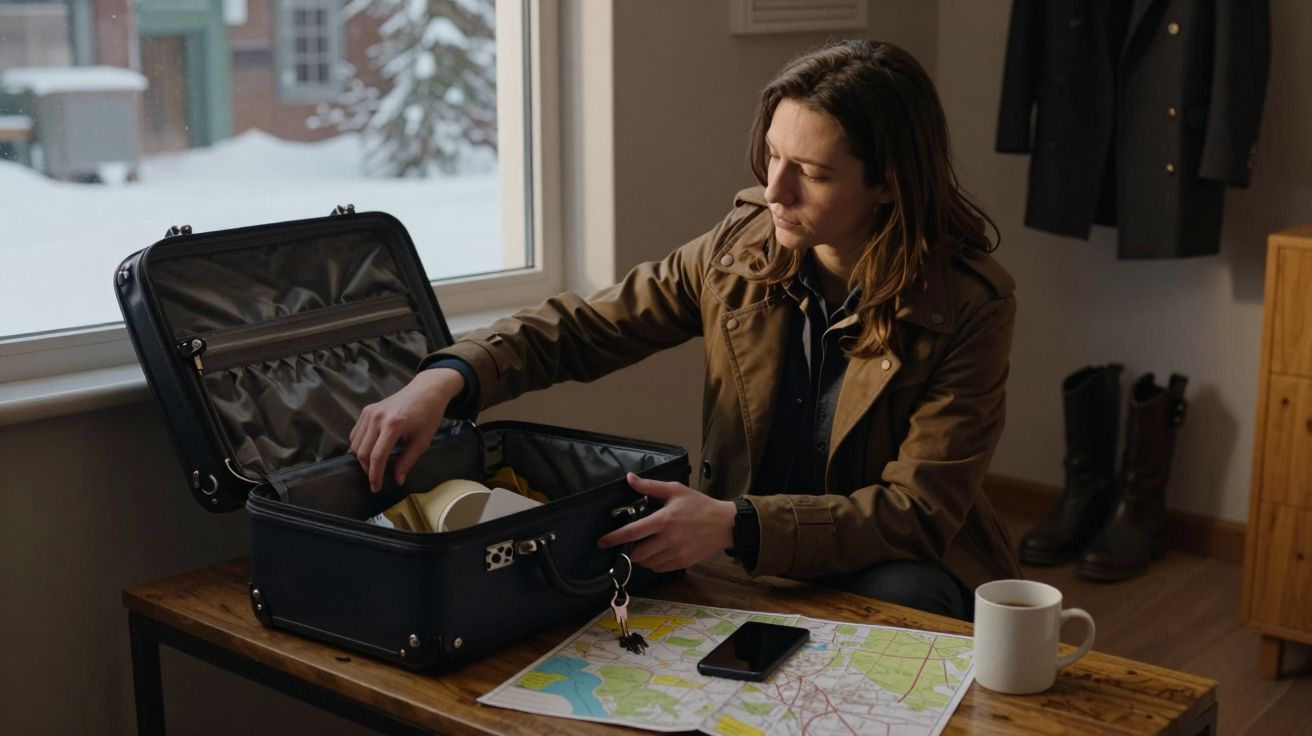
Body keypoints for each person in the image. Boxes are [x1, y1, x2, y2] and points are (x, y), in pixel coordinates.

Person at [349, 39, 1020, 621]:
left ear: (888, 185)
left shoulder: (967, 305)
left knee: (904, 599)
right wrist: (449, 377)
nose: (776, 190)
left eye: (813, 174)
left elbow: (915, 512)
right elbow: (587, 327)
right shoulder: (740, 248)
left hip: (886, 558)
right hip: (744, 543)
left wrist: (737, 523)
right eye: (773, 155)